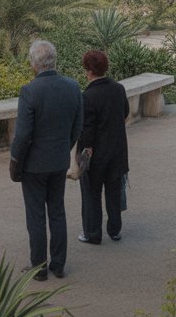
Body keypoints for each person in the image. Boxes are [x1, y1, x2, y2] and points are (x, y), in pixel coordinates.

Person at [9, 39, 83, 282]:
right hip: (58, 161)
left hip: (34, 166)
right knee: (57, 212)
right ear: (54, 61)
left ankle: (39, 267)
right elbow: (77, 126)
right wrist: (64, 148)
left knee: (36, 215)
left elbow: (22, 136)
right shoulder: (73, 87)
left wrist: (15, 161)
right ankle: (58, 264)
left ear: (33, 64)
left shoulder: (29, 91)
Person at [76, 49, 129, 245]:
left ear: (89, 71)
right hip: (117, 151)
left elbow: (87, 129)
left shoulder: (88, 96)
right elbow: (125, 112)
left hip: (95, 154)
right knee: (114, 192)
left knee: (91, 194)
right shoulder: (118, 89)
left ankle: (92, 233)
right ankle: (115, 230)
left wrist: (86, 151)